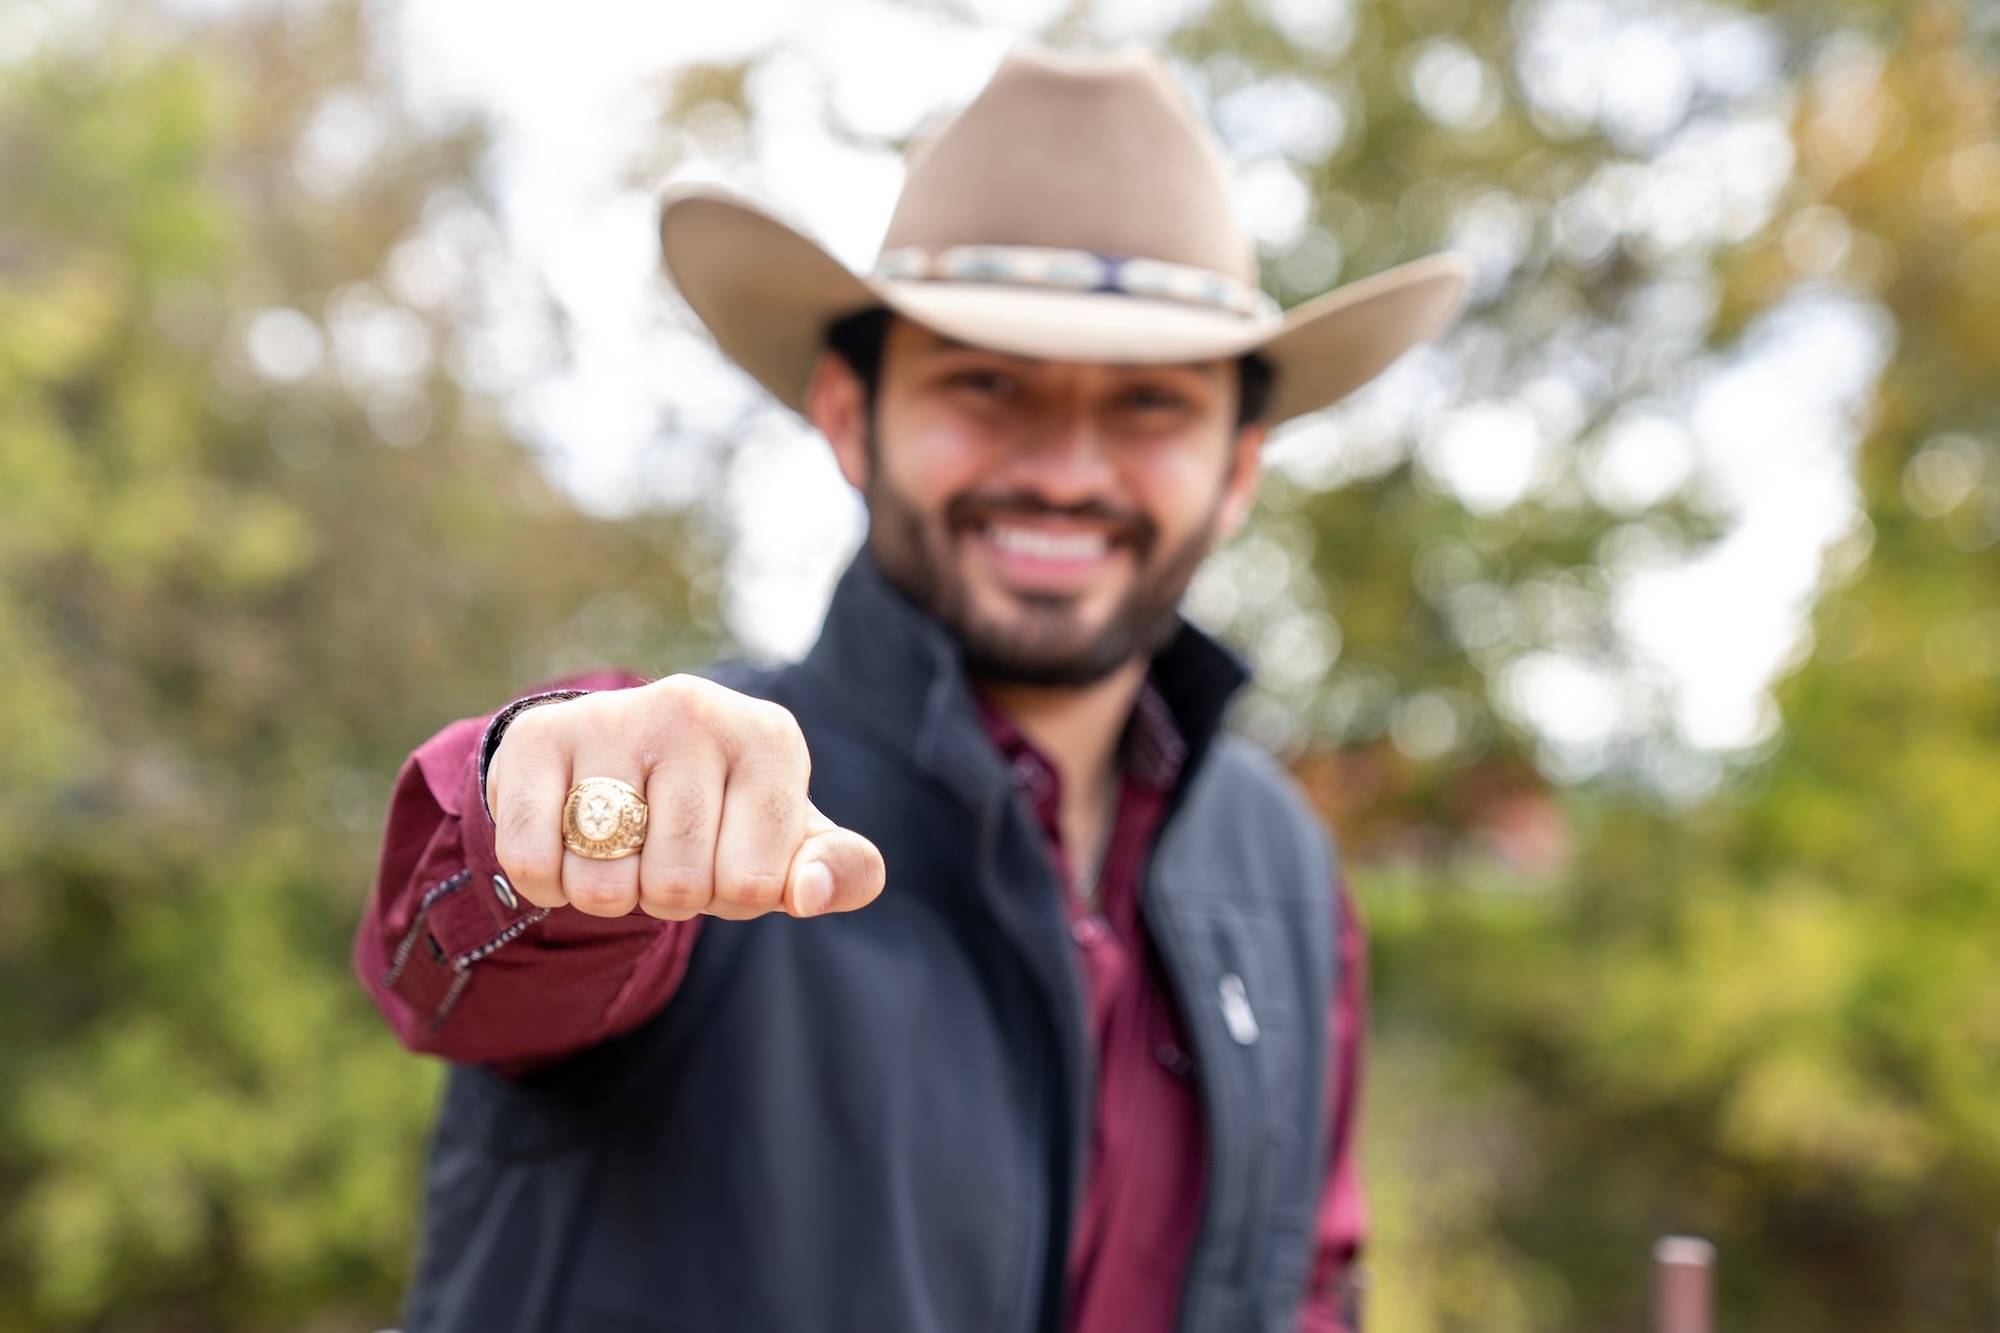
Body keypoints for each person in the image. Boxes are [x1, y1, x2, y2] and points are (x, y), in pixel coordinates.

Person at [354, 45, 1467, 1333]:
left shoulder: (1285, 868)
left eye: (1151, 405)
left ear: (1236, 472)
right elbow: (451, 942)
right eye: (984, 384)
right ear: (848, 417)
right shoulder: (703, 803)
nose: (1062, 467)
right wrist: (538, 801)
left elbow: (1308, 1286)